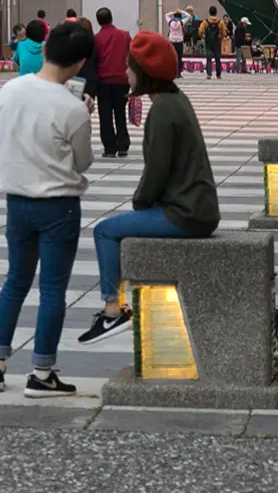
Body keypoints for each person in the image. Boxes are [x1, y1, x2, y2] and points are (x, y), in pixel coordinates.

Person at [78, 31, 220, 345]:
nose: (127, 72)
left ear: (145, 74)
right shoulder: (175, 100)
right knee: (118, 225)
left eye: (130, 67)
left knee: (104, 231)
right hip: (195, 206)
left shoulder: (163, 111)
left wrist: (140, 203)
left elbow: (156, 172)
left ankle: (112, 311)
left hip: (185, 213)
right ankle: (114, 309)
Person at [0, 22, 95, 397]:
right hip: (58, 206)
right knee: (51, 290)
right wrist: (85, 116)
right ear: (79, 63)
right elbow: (83, 163)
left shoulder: (10, 89)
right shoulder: (72, 108)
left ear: (46, 49)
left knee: (15, 281)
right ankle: (42, 372)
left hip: (16, 202)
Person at [94, 7, 132, 158]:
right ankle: (123, 144)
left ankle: (109, 148)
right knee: (120, 112)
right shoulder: (125, 35)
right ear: (112, 18)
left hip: (103, 81)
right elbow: (132, 55)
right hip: (122, 80)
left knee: (105, 114)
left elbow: (94, 60)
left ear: (98, 21)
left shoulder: (96, 39)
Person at [198, 6, 226, 80]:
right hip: (217, 42)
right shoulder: (220, 22)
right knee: (218, 58)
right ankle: (218, 74)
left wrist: (203, 36)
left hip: (208, 42)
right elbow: (224, 32)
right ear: (216, 12)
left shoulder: (205, 22)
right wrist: (221, 38)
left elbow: (200, 31)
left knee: (209, 58)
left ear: (209, 12)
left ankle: (209, 74)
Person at [165, 11, 185, 75]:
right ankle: (179, 73)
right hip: (179, 42)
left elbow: (166, 15)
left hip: (172, 42)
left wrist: (173, 12)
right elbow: (189, 16)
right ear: (180, 17)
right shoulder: (181, 22)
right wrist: (181, 11)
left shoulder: (170, 21)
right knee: (179, 58)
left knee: (172, 58)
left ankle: (171, 72)